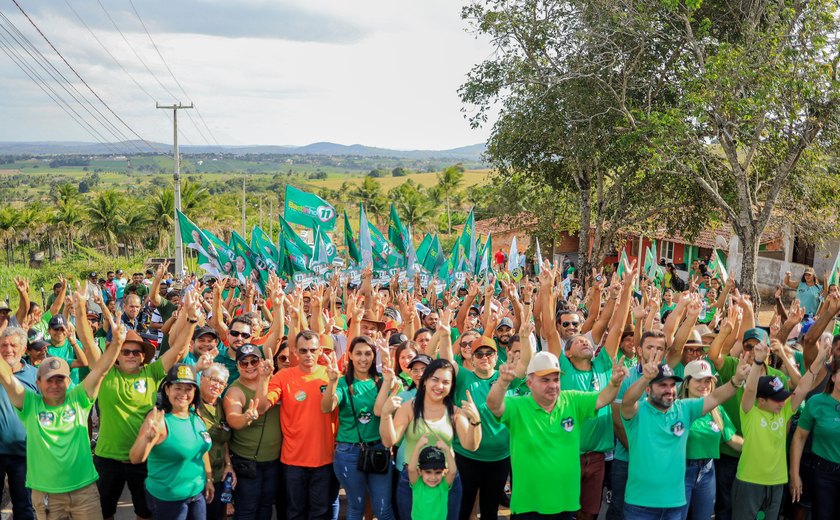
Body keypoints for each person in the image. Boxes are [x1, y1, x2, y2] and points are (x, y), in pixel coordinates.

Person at [0, 317, 127, 520]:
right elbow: (6, 377)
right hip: (47, 494)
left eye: (60, 379)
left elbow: (101, 370)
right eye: (49, 380)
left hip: (84, 492)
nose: (54, 384)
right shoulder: (30, 404)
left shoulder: (79, 399)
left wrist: (118, 343)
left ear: (69, 381)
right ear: (38, 383)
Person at [87, 285, 196, 520]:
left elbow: (178, 350)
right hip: (108, 459)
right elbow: (87, 343)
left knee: (145, 513)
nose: (131, 356)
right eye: (125, 351)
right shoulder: (105, 375)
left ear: (143, 355)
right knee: (104, 513)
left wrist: (192, 318)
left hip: (144, 457)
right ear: (116, 355)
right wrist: (78, 311)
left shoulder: (151, 372)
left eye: (136, 352)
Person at [485, 349, 624, 518]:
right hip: (528, 506)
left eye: (556, 379)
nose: (553, 385)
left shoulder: (572, 400)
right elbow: (494, 405)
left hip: (565, 504)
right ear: (529, 383)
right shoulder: (517, 406)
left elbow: (603, 399)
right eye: (545, 380)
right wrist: (502, 382)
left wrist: (614, 384)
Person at [620, 351, 749, 519]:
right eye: (662, 385)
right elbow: (627, 401)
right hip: (641, 505)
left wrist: (737, 380)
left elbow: (716, 397)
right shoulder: (638, 412)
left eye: (672, 385)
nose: (669, 390)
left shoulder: (684, 408)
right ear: (647, 389)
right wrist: (645, 377)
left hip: (674, 503)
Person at [732, 338, 830, 520]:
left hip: (777, 482)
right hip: (749, 481)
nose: (782, 402)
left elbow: (802, 388)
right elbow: (750, 390)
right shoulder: (749, 412)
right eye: (776, 399)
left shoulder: (783, 411)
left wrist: (819, 360)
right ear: (761, 401)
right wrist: (758, 363)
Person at [380, 358, 482, 520]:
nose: (439, 386)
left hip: (446, 480)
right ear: (425, 380)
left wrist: (476, 421)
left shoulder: (455, 412)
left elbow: (471, 445)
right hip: (413, 478)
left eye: (446, 382)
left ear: (451, 386)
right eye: (435, 379)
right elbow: (389, 441)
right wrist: (385, 415)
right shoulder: (409, 408)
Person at [264, 330, 339, 520]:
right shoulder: (283, 377)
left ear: (320, 350)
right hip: (292, 461)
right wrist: (264, 379)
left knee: (320, 512)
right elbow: (264, 404)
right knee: (294, 512)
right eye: (303, 351)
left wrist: (332, 382)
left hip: (324, 460)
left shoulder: (330, 375)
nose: (308, 355)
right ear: (295, 352)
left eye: (313, 350)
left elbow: (329, 407)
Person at [321, 336, 394, 520]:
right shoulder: (343, 383)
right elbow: (326, 407)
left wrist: (388, 360)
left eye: (368, 353)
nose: (363, 358)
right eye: (358, 353)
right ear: (350, 356)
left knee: (383, 509)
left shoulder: (381, 381)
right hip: (349, 452)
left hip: (378, 449)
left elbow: (394, 387)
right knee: (356, 507)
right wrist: (332, 382)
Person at [129, 363, 214, 520]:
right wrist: (147, 439)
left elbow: (203, 451)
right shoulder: (159, 420)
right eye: (177, 388)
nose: (183, 393)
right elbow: (135, 458)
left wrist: (208, 479)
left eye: (188, 388)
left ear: (195, 391)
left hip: (196, 493)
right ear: (167, 390)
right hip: (168, 499)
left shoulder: (196, 416)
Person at [678, 359, 743, 520]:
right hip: (680, 471)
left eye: (708, 380)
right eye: (698, 380)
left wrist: (760, 447)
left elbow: (732, 439)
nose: (704, 385)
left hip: (707, 472)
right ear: (686, 383)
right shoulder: (676, 409)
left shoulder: (716, 409)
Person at [223, 344, 281, 520]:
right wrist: (246, 417)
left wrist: (265, 378)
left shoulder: (273, 382)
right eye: (244, 363)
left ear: (261, 361)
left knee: (265, 508)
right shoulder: (235, 390)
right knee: (247, 510)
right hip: (247, 463)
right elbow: (233, 420)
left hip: (273, 462)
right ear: (237, 366)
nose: (249, 366)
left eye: (254, 361)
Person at [790, 359, 840, 519]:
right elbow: (799, 438)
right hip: (823, 474)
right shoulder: (816, 402)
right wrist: (794, 474)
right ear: (833, 377)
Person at [0, 327, 37, 520]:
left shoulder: (36, 376)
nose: (8, 349)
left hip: (25, 454)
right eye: (3, 345)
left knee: (24, 507)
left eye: (13, 345)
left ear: (23, 349)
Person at [196, 362, 235, 520]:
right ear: (202, 379)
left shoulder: (222, 405)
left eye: (221, 383)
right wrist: (208, 478)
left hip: (219, 476)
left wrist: (229, 465)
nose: (217, 385)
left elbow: (222, 439)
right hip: (197, 477)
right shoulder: (192, 403)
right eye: (213, 379)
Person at [408, 435, 458, 520]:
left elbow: (453, 472)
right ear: (420, 471)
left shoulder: (443, 486)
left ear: (443, 472)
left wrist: (447, 449)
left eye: (438, 472)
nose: (433, 477)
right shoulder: (418, 485)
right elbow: (411, 469)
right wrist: (418, 446)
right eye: (428, 472)